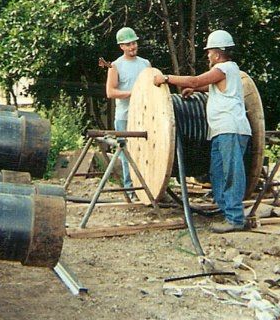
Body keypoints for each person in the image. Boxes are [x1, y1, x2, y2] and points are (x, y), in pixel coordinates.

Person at [153, 30, 251, 233]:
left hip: (231, 129)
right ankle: (228, 214)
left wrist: (166, 78)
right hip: (219, 131)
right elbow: (210, 87)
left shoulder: (225, 68)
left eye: (209, 52)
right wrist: (197, 91)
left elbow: (195, 80)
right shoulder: (226, 73)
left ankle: (235, 218)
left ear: (217, 53)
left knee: (231, 173)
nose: (207, 56)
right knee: (217, 172)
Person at [104, 27, 151, 190]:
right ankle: (130, 189)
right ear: (121, 46)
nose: (133, 47)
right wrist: (133, 93)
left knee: (145, 153)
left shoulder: (145, 64)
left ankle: (147, 188)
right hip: (125, 117)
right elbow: (110, 92)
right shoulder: (115, 66)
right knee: (127, 155)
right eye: (129, 44)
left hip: (145, 116)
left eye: (134, 43)